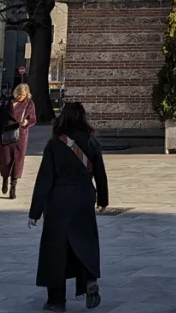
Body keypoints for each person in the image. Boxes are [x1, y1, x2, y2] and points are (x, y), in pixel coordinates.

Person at [28, 102, 108, 312]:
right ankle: (89, 279)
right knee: (84, 240)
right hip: (84, 197)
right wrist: (103, 200)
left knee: (56, 249)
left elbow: (44, 179)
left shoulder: (54, 145)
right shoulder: (92, 142)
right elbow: (100, 173)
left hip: (59, 200)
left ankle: (56, 300)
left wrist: (34, 212)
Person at [0, 83, 36, 199]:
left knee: (18, 161)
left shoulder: (29, 104)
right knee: (6, 160)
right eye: (19, 94)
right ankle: (5, 179)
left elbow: (33, 119)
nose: (20, 97)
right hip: (6, 134)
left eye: (23, 95)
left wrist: (27, 123)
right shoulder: (7, 102)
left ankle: (13, 186)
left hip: (20, 135)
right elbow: (0, 120)